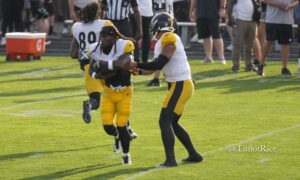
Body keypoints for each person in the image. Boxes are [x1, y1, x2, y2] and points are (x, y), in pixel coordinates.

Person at [129, 12, 202, 167]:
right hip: (179, 84)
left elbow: (159, 63)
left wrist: (137, 64)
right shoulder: (163, 41)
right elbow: (155, 67)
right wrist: (138, 71)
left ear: (157, 25)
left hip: (181, 84)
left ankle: (170, 160)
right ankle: (194, 155)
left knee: (164, 121)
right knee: (172, 123)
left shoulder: (169, 37)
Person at [89, 25, 136, 165]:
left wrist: (102, 65)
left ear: (115, 38)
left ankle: (126, 155)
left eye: (105, 36)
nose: (102, 39)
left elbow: (123, 64)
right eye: (101, 36)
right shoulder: (96, 49)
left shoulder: (124, 46)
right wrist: (96, 74)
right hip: (109, 92)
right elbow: (92, 68)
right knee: (107, 125)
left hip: (125, 92)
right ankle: (117, 137)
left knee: (122, 125)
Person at [257, 0, 298, 76]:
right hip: (272, 19)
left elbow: (297, 1)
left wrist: (290, 6)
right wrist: (278, 4)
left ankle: (284, 68)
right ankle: (261, 65)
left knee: (285, 44)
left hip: (287, 20)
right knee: (269, 41)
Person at [189, 0, 226, 65]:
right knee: (205, 36)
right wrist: (191, 11)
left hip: (214, 12)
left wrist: (222, 8)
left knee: (216, 35)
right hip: (200, 13)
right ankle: (208, 57)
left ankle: (221, 58)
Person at [228, 0, 260, 73]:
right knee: (237, 44)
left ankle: (249, 65)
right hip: (240, 20)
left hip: (252, 20)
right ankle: (235, 66)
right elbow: (230, 3)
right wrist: (229, 18)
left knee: (250, 45)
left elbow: (258, 4)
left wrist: (257, 17)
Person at [147, 0, 174, 87]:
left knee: (162, 54)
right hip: (170, 22)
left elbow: (162, 13)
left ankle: (156, 79)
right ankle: (157, 78)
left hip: (164, 25)